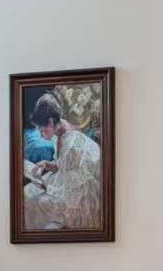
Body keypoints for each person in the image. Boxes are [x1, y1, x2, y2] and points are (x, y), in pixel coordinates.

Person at [21, 92, 104, 233]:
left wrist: (44, 186)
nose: (40, 134)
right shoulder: (60, 129)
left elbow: (69, 191)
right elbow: (62, 165)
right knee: (26, 192)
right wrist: (46, 164)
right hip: (69, 179)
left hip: (78, 196)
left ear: (50, 122)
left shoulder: (71, 145)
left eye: (41, 130)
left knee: (29, 198)